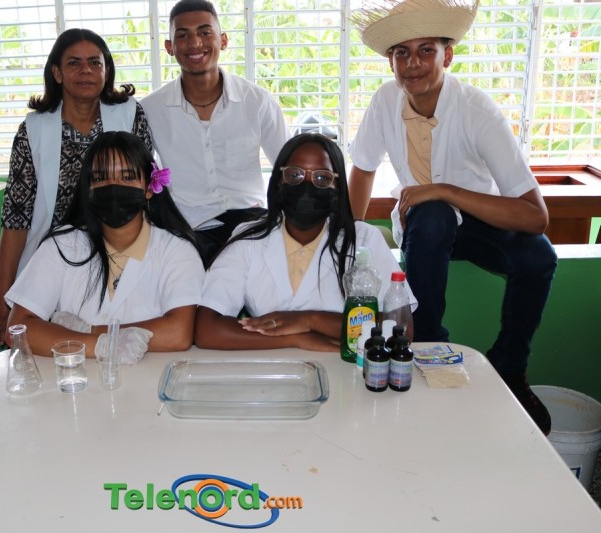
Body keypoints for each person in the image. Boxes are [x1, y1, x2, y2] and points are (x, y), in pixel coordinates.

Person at [348, 0, 557, 433]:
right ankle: (425, 348)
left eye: (426, 50)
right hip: (425, 228)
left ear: (448, 55)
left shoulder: (477, 110)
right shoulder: (385, 101)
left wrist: (443, 189)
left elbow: (536, 216)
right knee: (433, 215)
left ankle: (510, 368)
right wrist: (348, 239)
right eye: (401, 52)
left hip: (479, 221)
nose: (413, 63)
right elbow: (363, 169)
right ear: (390, 61)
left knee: (539, 256)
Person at [0, 28, 153, 342]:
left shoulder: (130, 115)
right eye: (74, 63)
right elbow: (16, 217)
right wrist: (3, 296)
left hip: (120, 253)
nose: (86, 70)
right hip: (52, 259)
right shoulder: (33, 129)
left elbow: (146, 191)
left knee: (122, 342)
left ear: (106, 71)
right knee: (48, 348)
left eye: (95, 63)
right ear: (57, 73)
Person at [195, 133, 415, 351]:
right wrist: (297, 339)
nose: (306, 186)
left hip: (345, 367)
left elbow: (402, 329)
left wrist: (310, 320)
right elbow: (206, 330)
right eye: (294, 175)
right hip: (270, 366)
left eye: (322, 178)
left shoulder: (364, 239)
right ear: (278, 180)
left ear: (338, 187)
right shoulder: (250, 238)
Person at [5, 131, 204, 360]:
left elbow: (178, 334)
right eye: (101, 178)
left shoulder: (177, 250)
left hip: (151, 379)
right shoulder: (62, 245)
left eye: (127, 177)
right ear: (88, 189)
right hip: (76, 379)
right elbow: (18, 330)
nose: (113, 187)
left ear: (149, 188)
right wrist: (101, 345)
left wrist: (87, 332)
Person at [141, 0, 289, 265]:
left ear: (223, 40)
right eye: (183, 35)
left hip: (250, 225)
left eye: (205, 32)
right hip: (185, 231)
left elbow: (288, 169)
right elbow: (136, 175)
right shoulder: (150, 109)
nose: (195, 43)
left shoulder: (257, 101)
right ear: (169, 47)